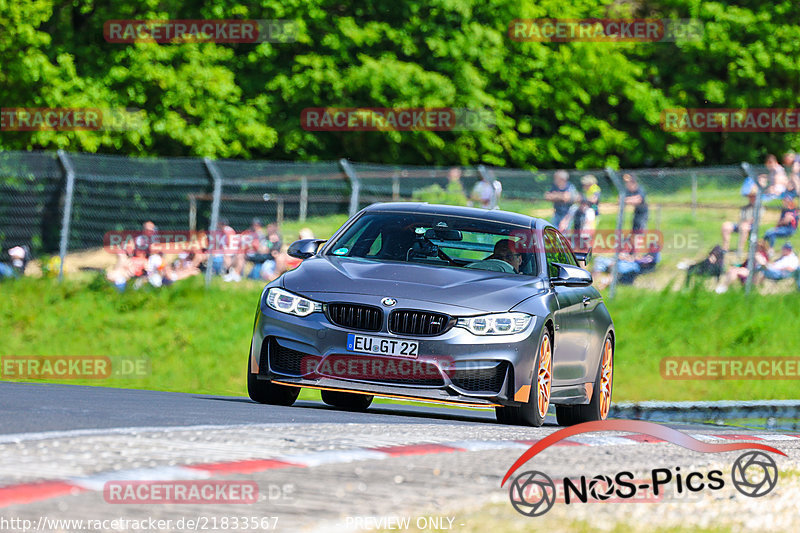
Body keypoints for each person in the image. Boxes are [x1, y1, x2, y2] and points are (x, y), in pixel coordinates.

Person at [721, 186, 757, 254]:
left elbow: (755, 220)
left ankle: (740, 249)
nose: (751, 198)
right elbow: (740, 218)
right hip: (741, 224)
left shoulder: (759, 208)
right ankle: (725, 248)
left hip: (750, 226)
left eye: (753, 196)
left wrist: (746, 222)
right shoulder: (745, 208)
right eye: (750, 196)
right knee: (726, 225)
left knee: (744, 227)